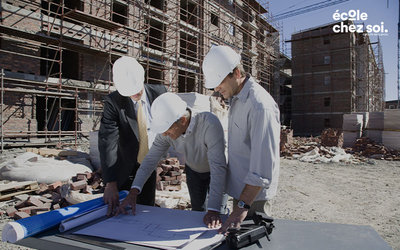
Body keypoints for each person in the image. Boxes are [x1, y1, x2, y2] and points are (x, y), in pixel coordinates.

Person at [117, 92, 228, 228]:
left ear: (182, 120)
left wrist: (214, 210)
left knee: (217, 217)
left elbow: (218, 168)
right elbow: (149, 161)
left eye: (167, 130)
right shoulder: (166, 133)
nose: (164, 134)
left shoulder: (209, 124)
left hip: (217, 172)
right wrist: (134, 191)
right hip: (194, 171)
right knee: (197, 213)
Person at [202, 45, 280, 234]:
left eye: (219, 82)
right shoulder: (237, 98)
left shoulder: (260, 106)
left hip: (254, 199)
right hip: (242, 194)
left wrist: (241, 208)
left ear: (236, 73)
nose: (215, 88)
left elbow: (262, 170)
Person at [99, 56, 166, 216]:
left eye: (137, 91)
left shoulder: (160, 93)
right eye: (130, 93)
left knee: (145, 210)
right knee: (122, 213)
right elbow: (108, 141)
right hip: (125, 167)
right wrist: (110, 182)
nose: (135, 95)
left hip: (149, 165)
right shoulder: (113, 102)